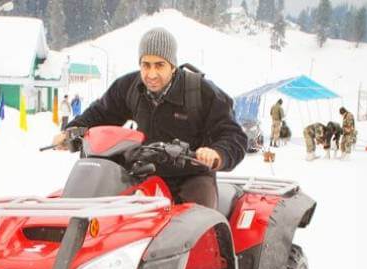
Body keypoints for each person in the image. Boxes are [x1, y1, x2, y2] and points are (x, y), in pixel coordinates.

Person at [53, 27, 247, 209]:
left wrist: (217, 154)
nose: (151, 74)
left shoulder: (201, 92)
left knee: (199, 223)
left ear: (172, 66)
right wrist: (72, 130)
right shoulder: (129, 87)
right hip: (142, 172)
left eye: (159, 65)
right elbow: (100, 113)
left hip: (190, 176)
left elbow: (233, 136)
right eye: (146, 65)